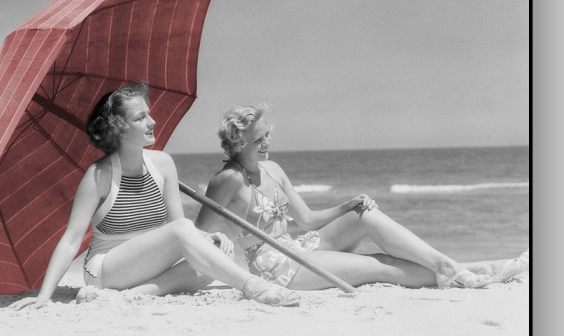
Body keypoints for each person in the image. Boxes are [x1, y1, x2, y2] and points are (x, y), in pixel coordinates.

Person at [7, 84, 300, 311]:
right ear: (119, 127)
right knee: (191, 238)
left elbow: (178, 228)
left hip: (148, 266)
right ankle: (252, 286)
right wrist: (45, 296)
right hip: (108, 267)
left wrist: (208, 238)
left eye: (149, 113)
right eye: (141, 117)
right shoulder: (98, 176)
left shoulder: (163, 164)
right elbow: (71, 240)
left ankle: (135, 295)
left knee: (219, 252)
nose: (152, 120)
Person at [193, 104, 529, 292]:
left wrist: (348, 204)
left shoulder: (274, 169)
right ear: (237, 144)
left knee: (362, 216)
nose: (266, 144)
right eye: (257, 141)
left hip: (297, 248)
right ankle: (472, 270)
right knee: (379, 265)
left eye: (267, 136)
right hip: (277, 269)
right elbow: (200, 236)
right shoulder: (227, 181)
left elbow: (307, 220)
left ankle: (450, 266)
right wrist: (218, 239)